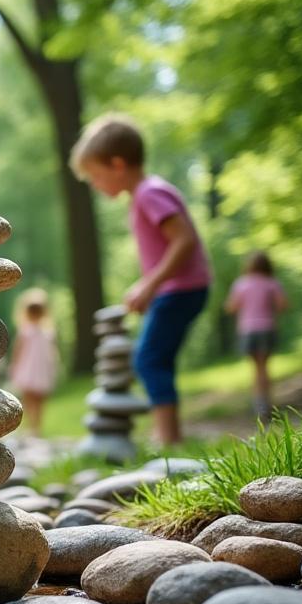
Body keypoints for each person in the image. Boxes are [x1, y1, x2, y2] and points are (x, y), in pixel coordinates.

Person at [71, 114, 211, 445]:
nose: (94, 184)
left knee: (148, 359)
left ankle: (169, 441)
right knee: (155, 358)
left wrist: (150, 284)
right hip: (177, 289)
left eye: (95, 176)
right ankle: (168, 435)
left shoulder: (149, 193)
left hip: (181, 290)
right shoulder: (146, 194)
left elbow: (185, 240)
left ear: (117, 164)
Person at [226, 251, 288, 420]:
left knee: (257, 369)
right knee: (264, 368)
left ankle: (261, 408)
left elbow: (231, 307)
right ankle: (267, 405)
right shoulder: (271, 283)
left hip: (248, 330)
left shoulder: (242, 284)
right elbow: (283, 305)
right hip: (268, 328)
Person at [7, 288, 59, 437]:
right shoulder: (27, 331)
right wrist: (15, 365)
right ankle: (32, 426)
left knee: (38, 399)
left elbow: (51, 352)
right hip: (29, 369)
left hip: (38, 369)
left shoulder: (47, 332)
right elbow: (18, 351)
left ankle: (36, 426)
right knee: (29, 398)